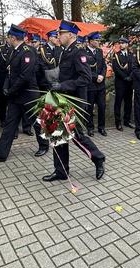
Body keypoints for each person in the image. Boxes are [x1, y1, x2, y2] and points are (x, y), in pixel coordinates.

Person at [45, 20, 105, 181]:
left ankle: (98, 157)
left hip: (75, 102)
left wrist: (62, 85)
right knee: (59, 135)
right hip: (62, 100)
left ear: (71, 35)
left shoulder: (79, 53)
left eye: (61, 33)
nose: (58, 35)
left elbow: (85, 78)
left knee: (77, 135)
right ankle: (61, 171)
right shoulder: (64, 51)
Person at [0, 25, 38, 163]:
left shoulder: (27, 52)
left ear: (13, 38)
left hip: (28, 94)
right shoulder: (15, 51)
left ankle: (44, 145)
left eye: (9, 37)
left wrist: (10, 90)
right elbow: (10, 72)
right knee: (10, 124)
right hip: (16, 96)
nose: (7, 40)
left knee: (37, 123)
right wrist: (6, 87)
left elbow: (25, 76)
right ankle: (1, 153)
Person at [33, 30, 61, 157]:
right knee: (43, 116)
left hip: (58, 86)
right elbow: (41, 68)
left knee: (56, 114)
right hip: (45, 86)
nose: (57, 38)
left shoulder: (60, 50)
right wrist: (51, 81)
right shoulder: (42, 50)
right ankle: (43, 144)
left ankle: (57, 136)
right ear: (49, 38)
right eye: (55, 37)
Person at [85, 31, 107, 137]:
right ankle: (90, 128)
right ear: (90, 41)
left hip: (101, 85)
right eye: (97, 40)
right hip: (90, 85)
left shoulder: (99, 51)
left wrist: (102, 75)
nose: (99, 42)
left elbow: (104, 66)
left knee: (102, 107)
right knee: (89, 108)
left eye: (99, 40)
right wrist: (96, 76)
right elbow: (84, 69)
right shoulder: (83, 52)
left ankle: (101, 127)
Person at [111, 37, 133, 131]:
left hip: (130, 82)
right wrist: (125, 77)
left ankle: (127, 121)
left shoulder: (132, 55)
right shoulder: (116, 55)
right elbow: (116, 69)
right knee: (118, 103)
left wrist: (130, 77)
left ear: (127, 44)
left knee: (128, 102)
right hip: (120, 82)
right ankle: (118, 122)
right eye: (120, 43)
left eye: (123, 43)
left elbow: (134, 67)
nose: (121, 44)